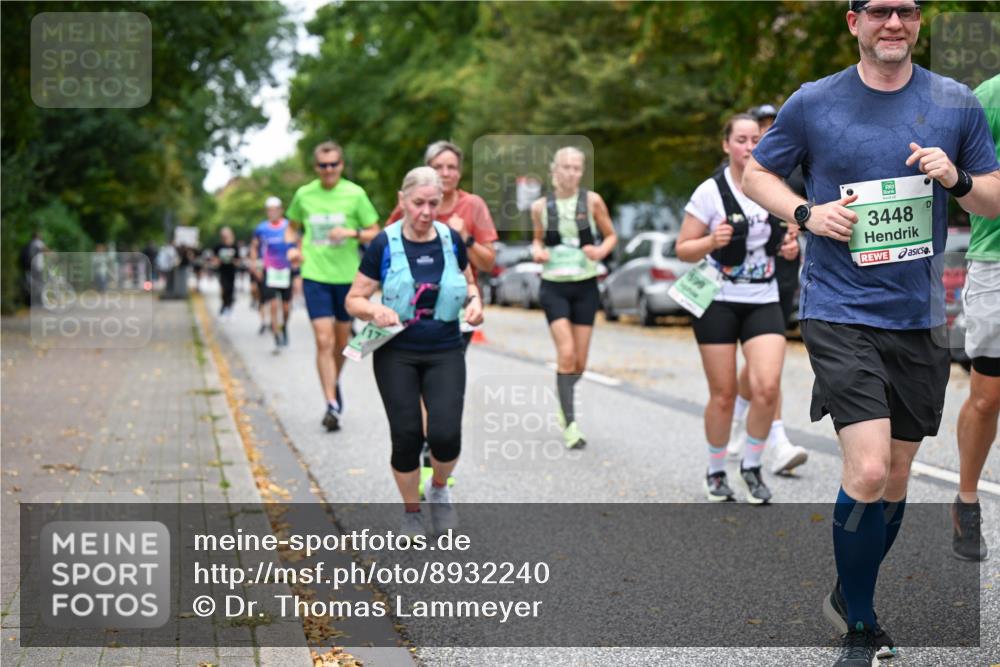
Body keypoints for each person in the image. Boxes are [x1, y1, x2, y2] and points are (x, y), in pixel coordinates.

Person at [743, 2, 1000, 664]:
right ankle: (860, 625)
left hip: (917, 318)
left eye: (907, 11)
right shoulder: (813, 102)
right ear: (853, 21)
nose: (894, 22)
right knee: (868, 466)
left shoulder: (956, 102)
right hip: (838, 308)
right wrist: (807, 210)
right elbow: (756, 173)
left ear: (918, 23)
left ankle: (845, 588)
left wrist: (958, 178)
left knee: (897, 476)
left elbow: (991, 195)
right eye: (880, 10)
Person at [345, 166, 483, 537]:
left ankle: (438, 490)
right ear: (402, 200)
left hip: (445, 348)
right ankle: (411, 511)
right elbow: (354, 299)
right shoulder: (383, 244)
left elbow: (470, 283)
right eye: (418, 203)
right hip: (396, 351)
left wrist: (474, 303)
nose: (426, 211)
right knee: (406, 436)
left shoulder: (451, 240)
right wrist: (374, 309)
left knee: (446, 434)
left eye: (433, 204)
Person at [676, 114, 800, 506]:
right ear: (727, 145)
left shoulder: (773, 186)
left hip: (762, 296)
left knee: (766, 386)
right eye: (742, 140)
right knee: (725, 394)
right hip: (717, 298)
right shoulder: (710, 192)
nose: (749, 147)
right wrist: (712, 240)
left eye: (756, 140)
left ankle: (752, 465)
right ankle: (715, 470)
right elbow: (683, 249)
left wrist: (790, 248)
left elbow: (788, 239)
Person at [726, 104, 810, 475]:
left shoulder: (794, 172)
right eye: (757, 131)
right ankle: (776, 441)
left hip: (781, 278)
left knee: (762, 366)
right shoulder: (734, 180)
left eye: (769, 129)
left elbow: (802, 219)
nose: (762, 137)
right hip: (741, 286)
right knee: (765, 368)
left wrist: (794, 241)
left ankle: (742, 416)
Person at [286, 141, 381, 432]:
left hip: (347, 279)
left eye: (333, 165)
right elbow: (292, 226)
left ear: (341, 165)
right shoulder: (304, 194)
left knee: (342, 343)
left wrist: (351, 232)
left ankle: (332, 384)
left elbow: (374, 231)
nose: (328, 170)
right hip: (315, 275)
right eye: (323, 165)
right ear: (316, 167)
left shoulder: (355, 194)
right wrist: (292, 247)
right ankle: (331, 403)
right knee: (323, 341)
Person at [530, 147, 617, 449]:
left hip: (585, 285)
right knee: (565, 354)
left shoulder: (592, 202)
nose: (571, 173)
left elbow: (610, 236)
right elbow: (538, 238)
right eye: (566, 167)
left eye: (577, 168)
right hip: (554, 286)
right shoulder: (541, 206)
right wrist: (537, 251)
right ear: (554, 170)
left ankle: (562, 398)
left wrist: (601, 251)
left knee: (578, 363)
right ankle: (570, 424)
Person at [386, 140, 498, 347]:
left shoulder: (473, 205)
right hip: (410, 303)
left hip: (456, 307)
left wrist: (466, 238)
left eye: (452, 167)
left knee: (445, 373)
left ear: (460, 172)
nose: (445, 173)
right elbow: (385, 252)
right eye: (438, 167)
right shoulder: (409, 205)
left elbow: (488, 264)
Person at [953, 73, 1000, 562]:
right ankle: (966, 499)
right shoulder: (989, 96)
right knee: (987, 399)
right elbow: (963, 180)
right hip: (996, 258)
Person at [252, 197, 294, 353]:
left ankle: (284, 327)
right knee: (273, 305)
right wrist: (254, 264)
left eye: (275, 209)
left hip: (286, 270)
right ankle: (276, 336)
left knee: (286, 307)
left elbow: (298, 244)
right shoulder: (261, 228)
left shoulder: (288, 226)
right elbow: (254, 247)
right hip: (269, 271)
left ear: (281, 210)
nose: (273, 212)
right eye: (270, 210)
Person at [213, 227, 239, 316]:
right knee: (224, 288)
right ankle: (224, 304)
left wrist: (232, 260)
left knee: (230, 289)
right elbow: (214, 259)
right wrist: (218, 261)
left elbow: (238, 260)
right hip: (222, 271)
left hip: (231, 271)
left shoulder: (234, 246)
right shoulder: (218, 246)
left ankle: (229, 306)